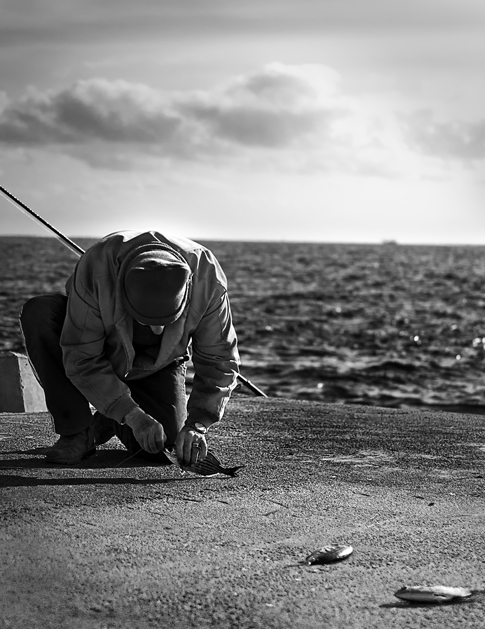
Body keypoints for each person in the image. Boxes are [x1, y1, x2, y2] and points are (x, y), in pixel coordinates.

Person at [20, 230, 240, 468]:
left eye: (166, 322)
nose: (157, 331)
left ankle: (110, 417)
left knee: (165, 445)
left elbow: (219, 359)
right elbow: (82, 355)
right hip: (101, 347)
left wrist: (198, 423)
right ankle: (77, 432)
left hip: (159, 363)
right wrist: (135, 417)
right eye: (145, 321)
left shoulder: (208, 279)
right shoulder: (97, 267)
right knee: (40, 313)